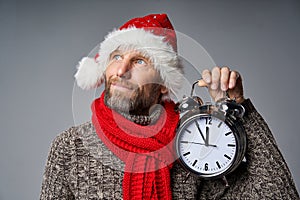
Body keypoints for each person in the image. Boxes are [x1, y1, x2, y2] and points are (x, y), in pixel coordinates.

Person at [40, 13, 299, 199]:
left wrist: (235, 110)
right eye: (116, 56)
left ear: (164, 83)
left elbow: (278, 194)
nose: (121, 70)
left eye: (140, 61)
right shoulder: (70, 147)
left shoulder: (195, 145)